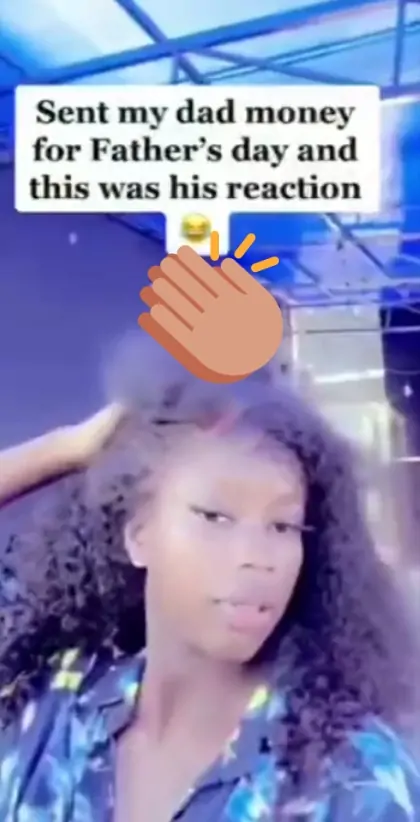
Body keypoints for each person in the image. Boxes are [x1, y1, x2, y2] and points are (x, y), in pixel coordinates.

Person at [0, 339, 419, 822]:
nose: (256, 558)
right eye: (215, 517)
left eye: (282, 526)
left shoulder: (353, 781)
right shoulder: (50, 704)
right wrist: (70, 447)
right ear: (138, 534)